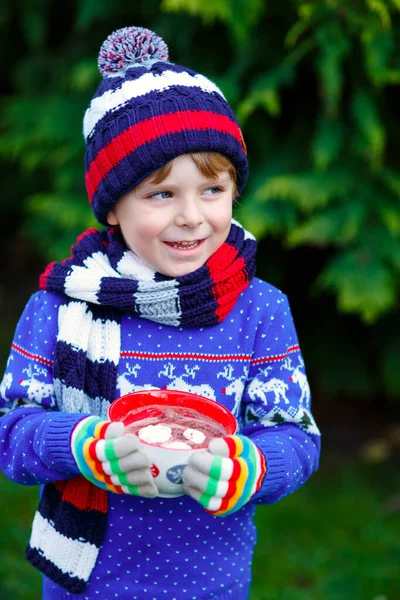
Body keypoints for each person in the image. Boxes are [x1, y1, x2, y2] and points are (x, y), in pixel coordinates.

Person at [0, 26, 321, 600]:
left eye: (212, 190)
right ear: (113, 208)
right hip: (86, 581)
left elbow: (295, 436)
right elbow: (11, 435)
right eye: (161, 193)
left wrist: (249, 466)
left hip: (210, 581)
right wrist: (84, 444)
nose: (192, 216)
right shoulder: (59, 307)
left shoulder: (260, 310)